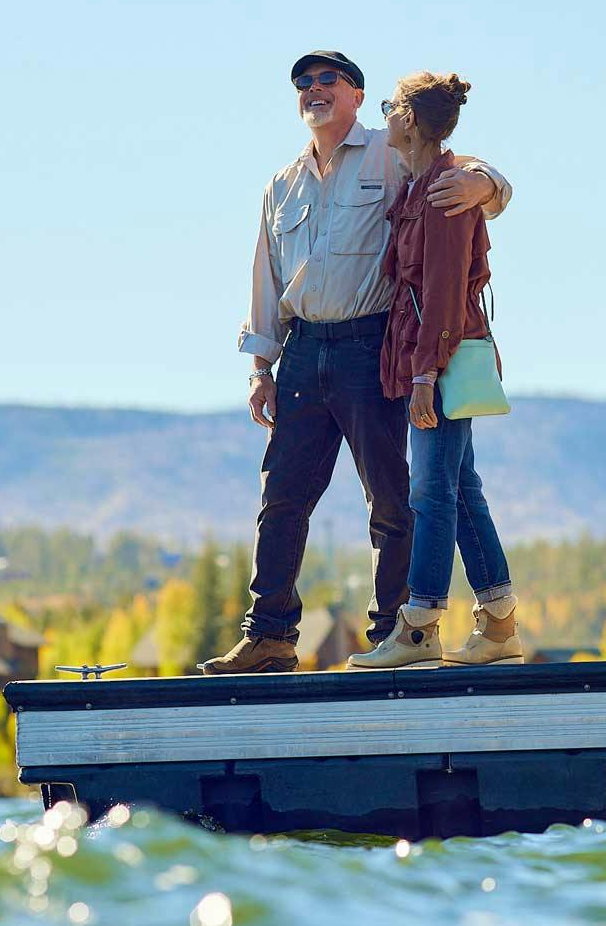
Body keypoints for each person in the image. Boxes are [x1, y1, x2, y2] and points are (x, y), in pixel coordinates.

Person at [199, 51, 511, 675]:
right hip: (301, 352)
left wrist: (489, 185)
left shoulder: (389, 152)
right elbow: (266, 276)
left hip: (371, 346)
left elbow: (457, 167)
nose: (313, 90)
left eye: (327, 81)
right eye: (303, 83)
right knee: (282, 496)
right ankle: (270, 635)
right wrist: (260, 367)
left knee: (392, 499)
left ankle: (396, 630)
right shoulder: (281, 185)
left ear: (357, 94)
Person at [347, 72, 522, 670]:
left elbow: (444, 292)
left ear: (411, 121)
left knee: (431, 492)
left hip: (439, 362)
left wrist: (425, 376)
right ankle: (498, 625)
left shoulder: (446, 192)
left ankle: (419, 624)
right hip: (426, 359)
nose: (383, 113)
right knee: (460, 487)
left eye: (391, 106)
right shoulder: (425, 183)